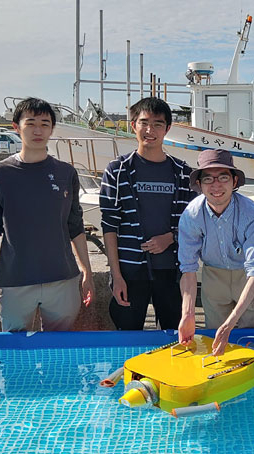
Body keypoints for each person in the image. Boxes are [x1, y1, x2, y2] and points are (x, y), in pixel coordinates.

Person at [0, 97, 95, 331]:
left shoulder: (66, 172)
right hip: (14, 282)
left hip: (62, 279)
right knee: (16, 353)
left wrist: (87, 272)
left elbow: (75, 226)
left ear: (52, 129)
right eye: (30, 123)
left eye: (44, 124)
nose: (38, 130)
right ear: (16, 127)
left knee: (61, 352)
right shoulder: (1, 173)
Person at [99, 97, 193, 330]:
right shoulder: (117, 170)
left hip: (172, 272)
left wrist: (170, 238)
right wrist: (116, 275)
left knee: (174, 339)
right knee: (127, 339)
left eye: (158, 124)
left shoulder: (182, 173)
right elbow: (109, 225)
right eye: (144, 123)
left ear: (167, 129)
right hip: (130, 271)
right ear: (134, 126)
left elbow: (192, 224)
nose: (150, 130)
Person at [177, 149, 254, 356]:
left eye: (223, 177)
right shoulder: (191, 215)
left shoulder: (252, 214)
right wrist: (188, 313)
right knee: (214, 341)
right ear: (199, 184)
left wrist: (230, 325)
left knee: (250, 341)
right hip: (212, 275)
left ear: (234, 181)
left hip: (247, 278)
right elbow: (188, 269)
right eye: (208, 178)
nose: (216, 185)